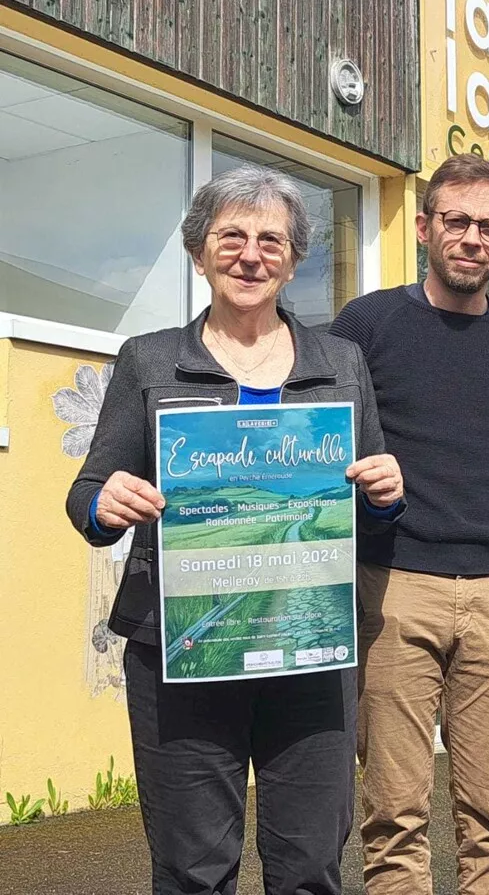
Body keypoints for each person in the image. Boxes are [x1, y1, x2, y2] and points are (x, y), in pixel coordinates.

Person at [65, 165, 405, 895]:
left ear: (293, 258)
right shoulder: (151, 360)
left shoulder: (342, 364)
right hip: (181, 654)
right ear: (199, 251)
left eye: (271, 240)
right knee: (192, 869)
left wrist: (384, 494)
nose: (251, 255)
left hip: (311, 656)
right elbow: (87, 495)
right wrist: (104, 503)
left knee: (311, 865)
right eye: (233, 237)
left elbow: (374, 506)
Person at [329, 153, 489, 895]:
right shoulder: (367, 325)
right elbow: (340, 442)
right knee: (394, 816)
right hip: (393, 588)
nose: (472, 238)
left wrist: (482, 527)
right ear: (425, 228)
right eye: (456, 221)